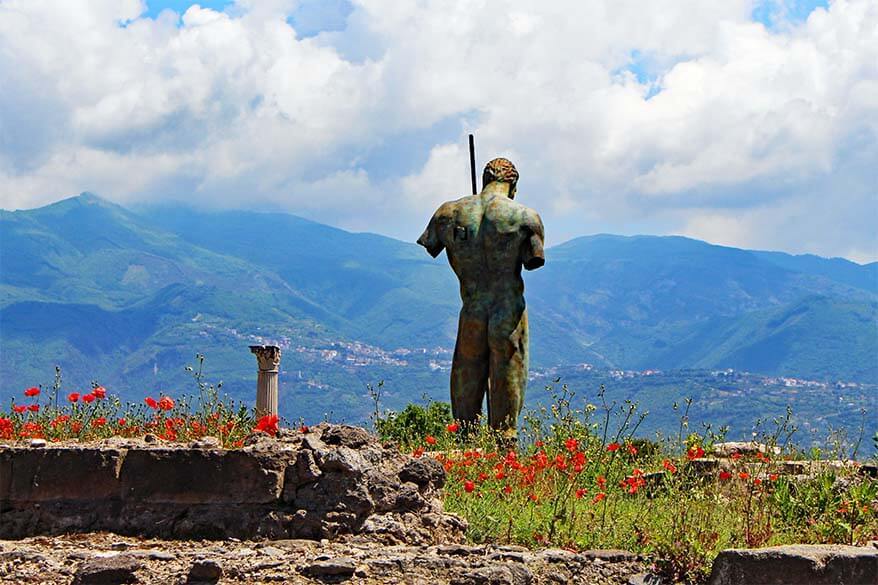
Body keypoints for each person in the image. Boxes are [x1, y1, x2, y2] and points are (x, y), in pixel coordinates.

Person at [417, 158, 545, 438]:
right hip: (507, 311)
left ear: (485, 179)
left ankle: (466, 445)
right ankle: (504, 448)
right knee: (508, 373)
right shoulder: (525, 218)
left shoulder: (448, 213)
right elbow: (533, 259)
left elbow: (431, 244)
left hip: (472, 309)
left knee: (467, 371)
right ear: (513, 185)